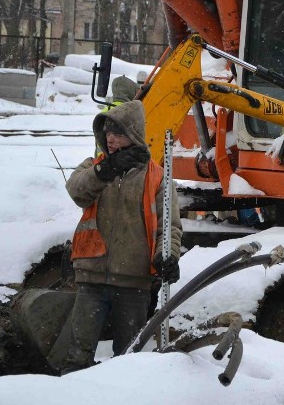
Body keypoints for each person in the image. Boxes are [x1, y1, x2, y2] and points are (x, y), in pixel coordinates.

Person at [58, 100, 182, 374]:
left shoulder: (158, 178)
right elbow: (76, 191)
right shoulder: (95, 167)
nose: (111, 139)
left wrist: (168, 256)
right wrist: (107, 170)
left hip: (134, 282)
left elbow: (169, 227)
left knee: (127, 361)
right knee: (78, 358)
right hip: (91, 277)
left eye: (119, 133)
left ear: (134, 134)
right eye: (108, 133)